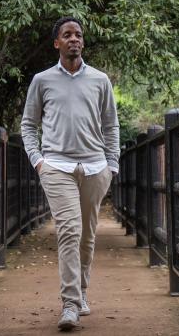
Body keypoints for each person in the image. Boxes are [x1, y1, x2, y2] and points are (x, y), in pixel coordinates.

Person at [21, 16, 120, 330]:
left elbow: (110, 125)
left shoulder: (100, 80)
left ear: (82, 41)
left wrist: (112, 164)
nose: (74, 39)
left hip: (95, 168)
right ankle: (70, 304)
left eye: (78, 34)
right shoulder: (42, 80)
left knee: (87, 236)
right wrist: (39, 160)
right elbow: (28, 124)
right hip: (56, 167)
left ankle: (82, 291)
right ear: (57, 43)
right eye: (67, 34)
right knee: (69, 230)